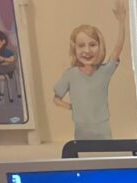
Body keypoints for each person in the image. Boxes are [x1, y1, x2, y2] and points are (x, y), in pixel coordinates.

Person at [52, 0, 127, 140]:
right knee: (84, 153)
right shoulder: (70, 75)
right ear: (74, 49)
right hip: (81, 128)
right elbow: (56, 99)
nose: (87, 50)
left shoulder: (104, 72)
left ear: (100, 46)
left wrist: (122, 22)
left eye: (92, 45)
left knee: (105, 153)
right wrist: (72, 107)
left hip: (102, 126)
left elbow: (118, 49)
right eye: (81, 46)